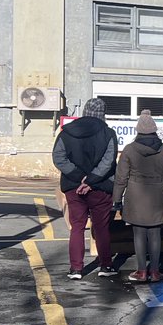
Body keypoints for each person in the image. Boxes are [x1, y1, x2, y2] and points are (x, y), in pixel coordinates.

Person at [52, 97, 119, 279]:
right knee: (101, 227)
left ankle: (76, 269)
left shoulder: (66, 132)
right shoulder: (108, 133)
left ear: (85, 111)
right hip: (100, 187)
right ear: (103, 114)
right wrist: (91, 180)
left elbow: (58, 158)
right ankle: (106, 266)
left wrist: (79, 177)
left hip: (73, 187)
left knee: (77, 227)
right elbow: (109, 161)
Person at [113, 111, 163, 283]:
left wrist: (117, 200)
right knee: (155, 234)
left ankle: (142, 271)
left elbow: (121, 177)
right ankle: (155, 271)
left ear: (138, 130)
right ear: (154, 130)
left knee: (139, 234)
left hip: (136, 196)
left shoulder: (129, 149)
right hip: (157, 196)